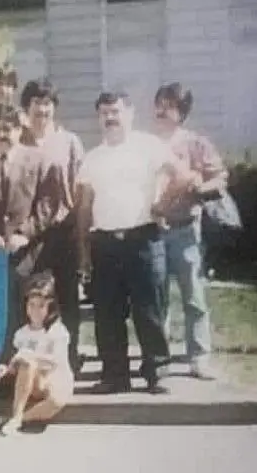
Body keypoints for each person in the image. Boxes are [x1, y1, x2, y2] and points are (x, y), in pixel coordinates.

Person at [76, 91, 194, 395]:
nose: (110, 118)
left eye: (115, 111)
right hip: (105, 243)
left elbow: (183, 177)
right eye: (104, 113)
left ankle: (156, 373)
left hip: (143, 238)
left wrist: (162, 206)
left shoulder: (147, 146)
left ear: (129, 113)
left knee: (149, 309)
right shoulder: (93, 158)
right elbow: (85, 207)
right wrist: (84, 251)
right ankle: (115, 375)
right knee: (108, 312)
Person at [0, 104, 58, 363]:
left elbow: (48, 204)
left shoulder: (40, 159)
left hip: (31, 253)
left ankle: (30, 370)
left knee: (30, 312)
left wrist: (25, 234)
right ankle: (1, 370)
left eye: (7, 129)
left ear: (19, 130)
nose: (1, 135)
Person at [153, 82, 228, 380]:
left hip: (185, 229)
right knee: (157, 297)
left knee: (192, 294)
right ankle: (160, 355)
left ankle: (199, 355)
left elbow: (220, 177)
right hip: (153, 229)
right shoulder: (146, 142)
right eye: (159, 103)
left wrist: (200, 185)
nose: (161, 110)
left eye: (169, 105)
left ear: (181, 112)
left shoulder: (195, 143)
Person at [20, 78, 85, 373]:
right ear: (27, 107)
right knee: (33, 295)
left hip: (62, 231)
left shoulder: (69, 141)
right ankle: (31, 359)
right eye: (37, 103)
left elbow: (78, 188)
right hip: (27, 235)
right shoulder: (19, 139)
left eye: (47, 104)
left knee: (66, 296)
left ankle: (68, 357)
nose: (42, 110)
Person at [0, 272, 73, 436]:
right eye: (31, 304)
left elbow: (56, 362)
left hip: (56, 378)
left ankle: (18, 418)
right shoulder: (22, 333)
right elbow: (17, 365)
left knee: (56, 401)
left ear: (51, 307)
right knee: (27, 362)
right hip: (33, 381)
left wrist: (29, 356)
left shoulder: (57, 331)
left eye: (41, 306)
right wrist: (5, 369)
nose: (35, 310)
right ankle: (17, 415)